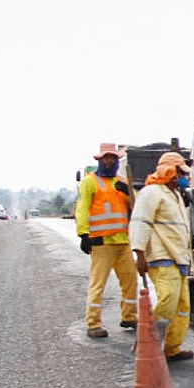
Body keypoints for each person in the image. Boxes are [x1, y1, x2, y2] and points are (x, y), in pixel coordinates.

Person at [129, 151, 194, 362]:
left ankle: (172, 348)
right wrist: (139, 253)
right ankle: (148, 345)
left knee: (183, 306)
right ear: (169, 171)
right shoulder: (151, 193)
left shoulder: (175, 195)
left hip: (179, 258)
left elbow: (181, 230)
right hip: (161, 255)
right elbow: (140, 223)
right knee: (167, 300)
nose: (182, 177)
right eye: (179, 172)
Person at [75, 143, 138, 338]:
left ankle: (129, 317)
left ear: (117, 160)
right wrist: (84, 234)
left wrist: (128, 192)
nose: (109, 161)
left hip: (122, 241)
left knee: (130, 281)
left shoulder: (122, 181)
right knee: (98, 283)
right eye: (106, 158)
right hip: (101, 242)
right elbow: (82, 208)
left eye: (112, 158)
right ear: (99, 160)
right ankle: (93, 323)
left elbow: (135, 206)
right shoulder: (90, 182)